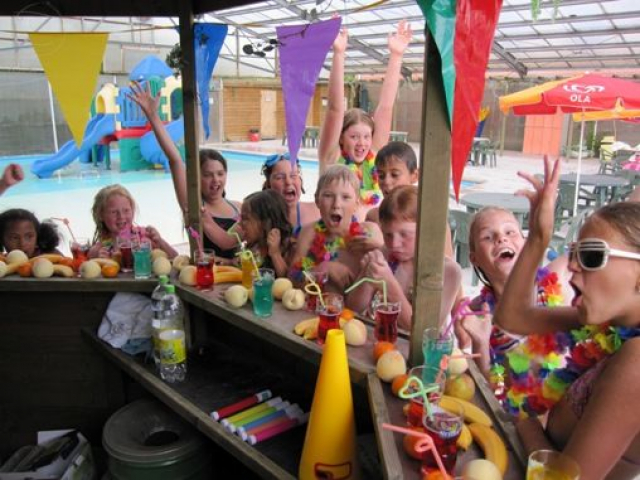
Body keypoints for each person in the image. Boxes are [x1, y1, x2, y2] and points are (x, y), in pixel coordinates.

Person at [495, 157, 640, 479]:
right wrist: (538, 238)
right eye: (574, 253)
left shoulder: (637, 360)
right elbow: (514, 317)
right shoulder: (614, 325)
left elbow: (565, 477)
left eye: (592, 255)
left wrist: (522, 418)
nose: (572, 266)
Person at [455, 203, 571, 418]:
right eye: (488, 237)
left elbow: (613, 235)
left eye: (510, 232)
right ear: (474, 259)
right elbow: (497, 386)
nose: (501, 238)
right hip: (526, 421)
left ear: (526, 244)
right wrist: (481, 342)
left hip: (568, 412)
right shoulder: (480, 314)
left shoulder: (557, 279)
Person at [129, 82, 241, 260]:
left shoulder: (239, 207)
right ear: (196, 178)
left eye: (220, 174)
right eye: (207, 175)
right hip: (207, 272)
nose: (216, 180)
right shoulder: (195, 207)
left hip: (238, 273)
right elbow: (175, 160)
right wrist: (153, 116)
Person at [318, 20, 412, 219]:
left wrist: (396, 55)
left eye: (367, 137)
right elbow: (335, 109)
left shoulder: (375, 158)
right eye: (354, 137)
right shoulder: (332, 158)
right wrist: (338, 53)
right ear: (341, 138)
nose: (362, 143)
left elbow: (385, 107)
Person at [347, 185, 461, 330]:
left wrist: (389, 285)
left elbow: (425, 332)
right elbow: (353, 308)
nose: (394, 244)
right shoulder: (385, 255)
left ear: (425, 230)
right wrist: (367, 276)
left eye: (404, 234)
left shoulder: (448, 271)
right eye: (388, 235)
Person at [289, 165, 383, 291]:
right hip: (320, 302)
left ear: (356, 204)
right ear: (317, 200)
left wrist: (379, 247)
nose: (336, 204)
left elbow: (391, 271)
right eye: (328, 195)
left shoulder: (369, 232)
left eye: (345, 197)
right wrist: (323, 269)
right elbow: (292, 278)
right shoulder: (309, 233)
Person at [364, 142, 454, 259]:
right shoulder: (373, 217)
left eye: (394, 175)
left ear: (415, 175)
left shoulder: (432, 221)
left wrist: (381, 247)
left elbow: (445, 265)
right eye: (381, 176)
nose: (386, 181)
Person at [88, 184, 176, 258]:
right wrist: (100, 259)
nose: (121, 216)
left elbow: (174, 257)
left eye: (126, 210)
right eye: (114, 212)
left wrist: (160, 241)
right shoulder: (101, 249)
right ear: (101, 215)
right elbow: (90, 256)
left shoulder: (144, 236)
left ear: (132, 210)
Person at [238, 190, 293, 278]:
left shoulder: (288, 247)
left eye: (245, 218)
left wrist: (275, 253)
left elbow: (287, 279)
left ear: (265, 223)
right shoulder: (254, 246)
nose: (240, 223)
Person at [261, 153, 319, 235]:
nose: (288, 182)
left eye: (293, 175)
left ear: (300, 181)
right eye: (279, 177)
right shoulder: (258, 216)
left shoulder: (317, 211)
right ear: (268, 185)